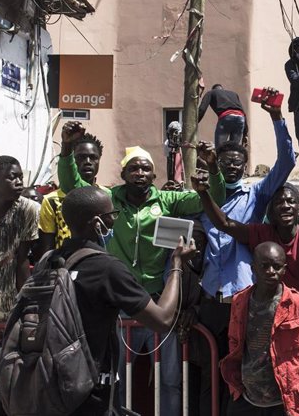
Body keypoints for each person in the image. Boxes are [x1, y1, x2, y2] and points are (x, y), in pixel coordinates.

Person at [57, 121, 226, 415]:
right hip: (120, 306)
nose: (140, 173)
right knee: (117, 377)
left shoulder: (169, 200)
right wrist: (67, 150)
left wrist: (213, 169)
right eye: (133, 169)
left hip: (158, 302)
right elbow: (74, 188)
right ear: (123, 174)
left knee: (171, 379)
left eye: (145, 169)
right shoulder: (111, 200)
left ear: (154, 174)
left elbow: (214, 199)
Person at [54, 186, 196, 415]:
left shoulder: (48, 262)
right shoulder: (107, 268)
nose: (115, 221)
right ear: (98, 223)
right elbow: (162, 319)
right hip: (90, 390)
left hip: (53, 384)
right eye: (112, 216)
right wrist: (177, 264)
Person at [199, 92, 295, 412]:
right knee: (206, 375)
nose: (232, 165)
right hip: (208, 300)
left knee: (240, 376)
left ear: (244, 164)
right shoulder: (198, 197)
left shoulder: (257, 194)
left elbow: (287, 162)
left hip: (245, 301)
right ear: (217, 164)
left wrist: (277, 117)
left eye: (238, 161)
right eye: (226, 161)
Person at [220, 242, 299, 416]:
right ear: (253, 268)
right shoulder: (240, 301)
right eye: (264, 266)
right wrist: (235, 388)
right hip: (248, 402)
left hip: (290, 405)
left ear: (284, 269)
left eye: (276, 266)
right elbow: (235, 342)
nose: (271, 271)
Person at [195, 158, 299, 293]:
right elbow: (225, 224)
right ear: (270, 211)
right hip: (264, 310)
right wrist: (203, 193)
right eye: (279, 202)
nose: (285, 206)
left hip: (298, 312)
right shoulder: (261, 233)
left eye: (290, 201)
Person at [0, 155, 39, 415]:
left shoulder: (27, 210)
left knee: (3, 386)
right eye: (11, 177)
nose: (19, 181)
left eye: (20, 176)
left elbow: (22, 262)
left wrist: (27, 308)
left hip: (7, 314)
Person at [39, 131, 105, 252]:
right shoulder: (52, 201)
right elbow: (47, 248)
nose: (88, 161)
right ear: (71, 160)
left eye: (93, 157)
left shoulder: (107, 195)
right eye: (81, 157)